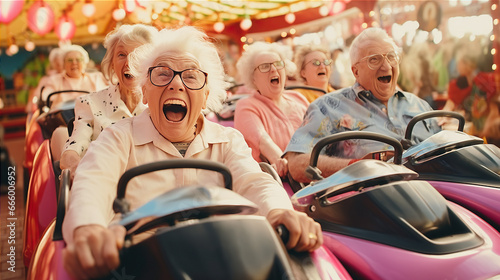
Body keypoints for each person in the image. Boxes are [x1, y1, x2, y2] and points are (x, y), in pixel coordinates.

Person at [62, 26, 323, 279]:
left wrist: (279, 211)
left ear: (206, 93)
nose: (176, 84)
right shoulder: (118, 137)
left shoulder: (227, 140)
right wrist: (89, 229)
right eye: (162, 74)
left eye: (190, 76)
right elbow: (92, 182)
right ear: (144, 91)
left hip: (224, 260)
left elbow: (254, 182)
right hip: (143, 264)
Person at [284, 27, 441, 183]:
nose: (386, 67)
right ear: (356, 71)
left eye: (391, 57)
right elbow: (297, 163)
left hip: (445, 191)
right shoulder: (328, 107)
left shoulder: (418, 104)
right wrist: (357, 166)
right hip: (380, 198)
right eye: (374, 59)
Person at [59, 24, 157, 178]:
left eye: (138, 54)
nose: (129, 62)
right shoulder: (90, 103)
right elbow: (71, 152)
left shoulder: (161, 103)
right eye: (121, 55)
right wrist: (78, 170)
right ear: (112, 62)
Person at [234, 42, 309, 177]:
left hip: (316, 171)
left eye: (278, 64)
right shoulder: (246, 106)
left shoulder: (298, 98)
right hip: (283, 182)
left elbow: (320, 133)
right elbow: (263, 142)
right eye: (264, 67)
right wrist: (281, 161)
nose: (273, 69)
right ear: (253, 79)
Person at [441, 43, 496, 136]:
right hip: (472, 128)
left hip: (485, 129)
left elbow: (492, 109)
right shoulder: (461, 82)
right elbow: (451, 104)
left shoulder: (484, 82)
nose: (457, 66)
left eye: (459, 62)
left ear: (467, 63)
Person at [42, 44, 109, 107]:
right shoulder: (54, 80)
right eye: (70, 60)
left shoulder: (96, 78)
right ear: (64, 64)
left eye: (78, 60)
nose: (74, 63)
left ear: (84, 63)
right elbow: (46, 97)